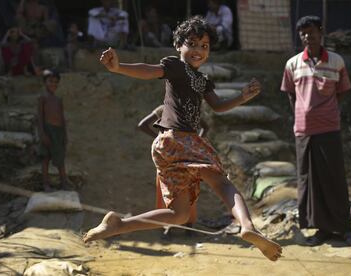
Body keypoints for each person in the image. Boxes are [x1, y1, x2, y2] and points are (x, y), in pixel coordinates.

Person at [83, 16, 282, 261]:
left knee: (179, 215)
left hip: (166, 147)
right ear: (179, 45)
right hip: (178, 139)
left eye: (204, 46)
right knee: (222, 183)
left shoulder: (203, 80)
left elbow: (218, 106)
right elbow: (150, 71)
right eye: (193, 44)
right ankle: (248, 226)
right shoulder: (176, 67)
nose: (198, 50)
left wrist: (242, 97)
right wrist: (119, 67)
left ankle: (118, 225)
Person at [280, 16, 351, 246]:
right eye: (303, 33)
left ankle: (345, 229)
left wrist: (325, 110)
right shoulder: (292, 64)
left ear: (321, 32)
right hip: (304, 131)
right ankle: (322, 230)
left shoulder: (336, 61)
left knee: (334, 178)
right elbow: (290, 94)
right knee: (310, 180)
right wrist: (304, 112)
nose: (308, 36)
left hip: (329, 128)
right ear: (300, 36)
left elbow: (342, 91)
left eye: (312, 31)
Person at [137, 104, 209, 238]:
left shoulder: (164, 108)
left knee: (167, 191)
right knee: (189, 188)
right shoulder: (190, 108)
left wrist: (160, 140)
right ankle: (188, 227)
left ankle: (169, 227)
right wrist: (195, 144)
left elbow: (142, 125)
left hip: (167, 156)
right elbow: (206, 127)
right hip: (186, 155)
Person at [37, 69, 71, 191]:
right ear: (45, 82)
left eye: (56, 82)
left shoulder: (58, 99)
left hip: (58, 132)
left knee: (60, 159)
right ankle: (46, 184)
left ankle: (64, 183)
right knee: (45, 158)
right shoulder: (43, 98)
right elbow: (40, 117)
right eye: (50, 81)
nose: (53, 84)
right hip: (47, 130)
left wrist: (65, 135)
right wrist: (42, 134)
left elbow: (62, 117)